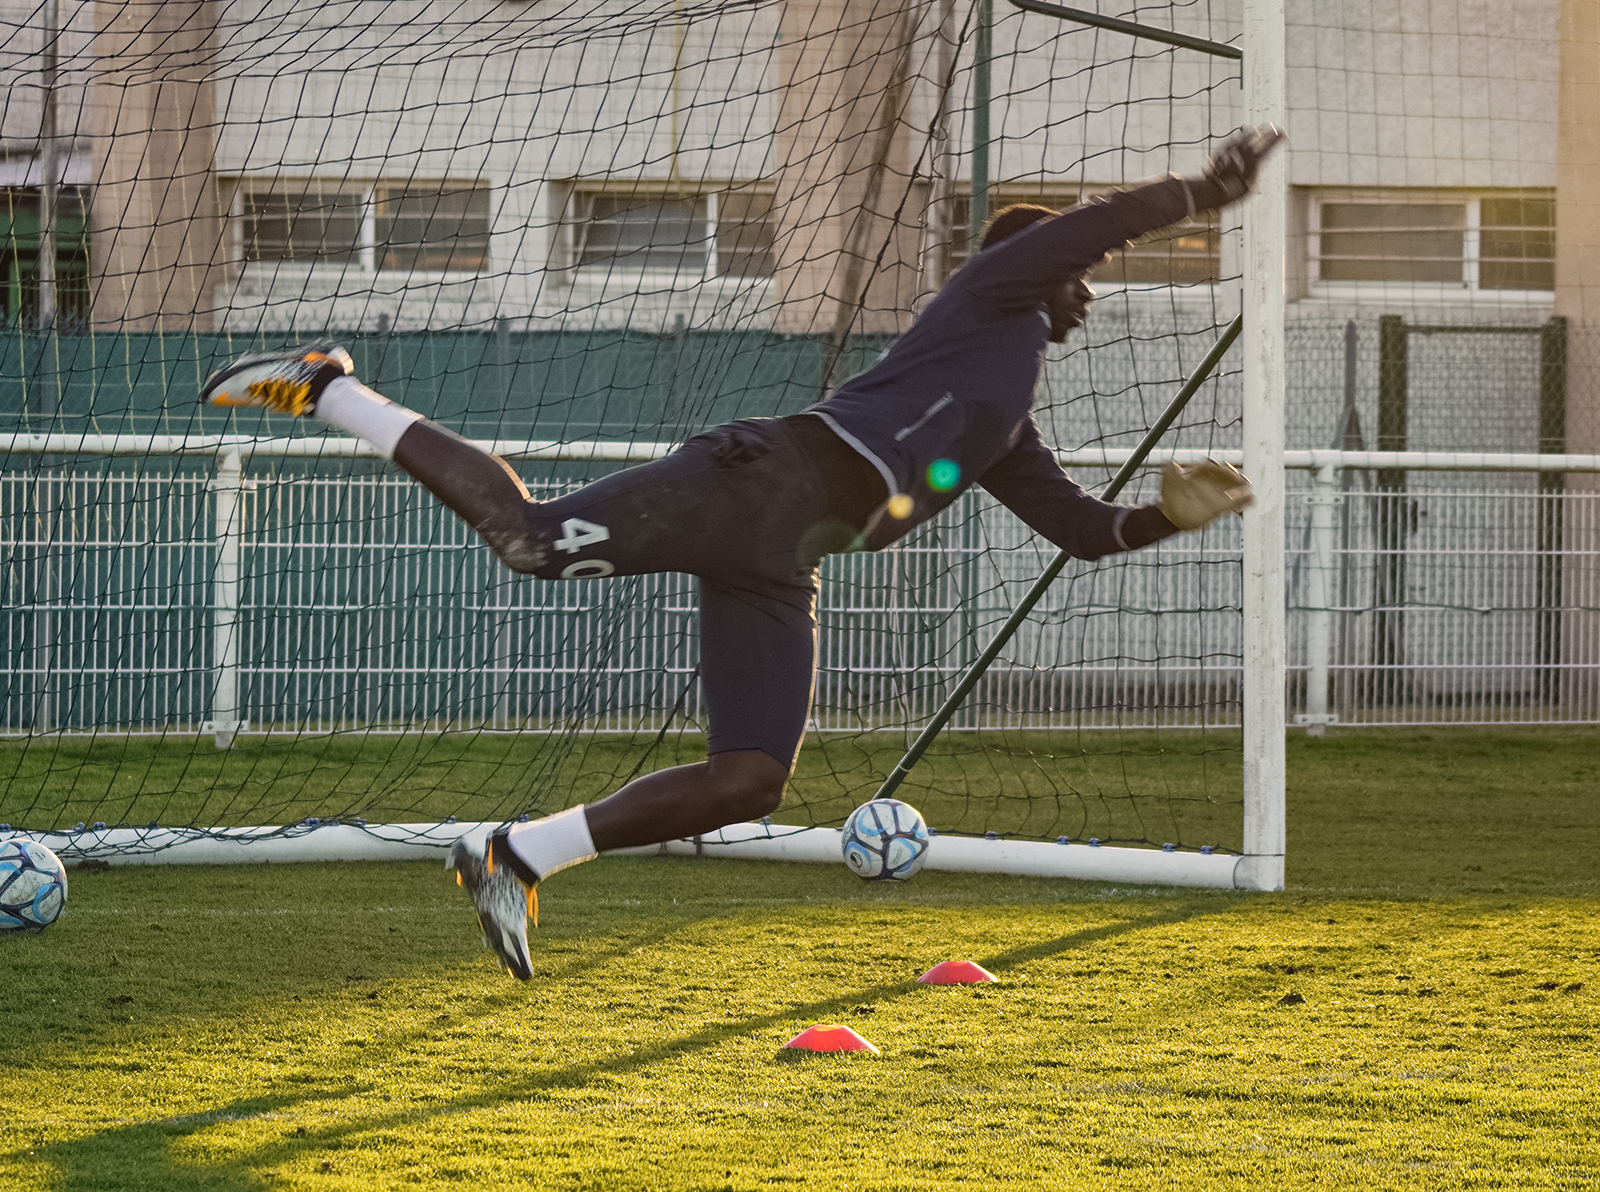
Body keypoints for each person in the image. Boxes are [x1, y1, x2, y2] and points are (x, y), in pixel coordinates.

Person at [202, 127, 1281, 979]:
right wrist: (1206, 190)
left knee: (750, 782)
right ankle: (331, 384)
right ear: (1031, 269)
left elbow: (1082, 533)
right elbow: (1089, 229)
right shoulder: (988, 292)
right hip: (752, 482)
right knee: (530, 541)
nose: (1088, 292)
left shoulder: (1003, 416)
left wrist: (1162, 518)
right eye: (1076, 276)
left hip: (780, 559)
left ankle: (516, 855)